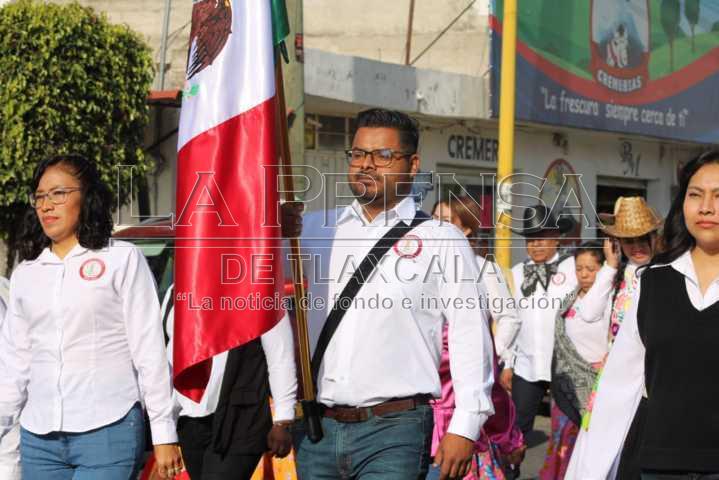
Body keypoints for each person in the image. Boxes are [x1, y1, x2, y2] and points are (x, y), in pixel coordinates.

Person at [291, 108, 495, 480]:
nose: (366, 164)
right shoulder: (313, 230)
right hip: (318, 431)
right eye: (358, 154)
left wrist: (466, 423)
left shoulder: (441, 239)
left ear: (413, 164)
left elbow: (470, 334)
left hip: (395, 431)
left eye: (383, 155)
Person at [0, 154, 182, 479]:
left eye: (58, 193)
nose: (46, 205)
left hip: (107, 431)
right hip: (38, 438)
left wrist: (163, 433)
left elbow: (149, 351)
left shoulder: (121, 259)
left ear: (87, 197)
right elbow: (14, 362)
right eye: (40, 196)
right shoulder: (27, 273)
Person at [567, 150, 719, 479]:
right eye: (695, 194)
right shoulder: (653, 283)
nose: (706, 207)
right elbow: (619, 386)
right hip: (660, 462)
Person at [430, 197, 525, 480]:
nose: (436, 227)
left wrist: (490, 354)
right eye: (433, 220)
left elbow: (508, 317)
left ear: (466, 229)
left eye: (446, 221)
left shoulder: (484, 268)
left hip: (461, 387)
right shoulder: (422, 266)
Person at [163, 283, 298, 480]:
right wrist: (164, 423)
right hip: (189, 418)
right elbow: (166, 353)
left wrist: (283, 419)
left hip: (240, 418)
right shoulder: (176, 289)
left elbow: (280, 357)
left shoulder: (259, 287)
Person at [538, 240, 619, 479]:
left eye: (591, 269)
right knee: (562, 440)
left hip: (596, 382)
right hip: (566, 384)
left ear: (603, 269)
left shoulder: (610, 299)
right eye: (579, 268)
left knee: (589, 443)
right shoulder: (570, 298)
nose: (584, 274)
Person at [502, 205, 577, 440]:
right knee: (517, 431)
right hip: (526, 364)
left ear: (556, 237)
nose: (535, 245)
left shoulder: (573, 268)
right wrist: (507, 363)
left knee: (569, 430)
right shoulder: (516, 273)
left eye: (541, 238)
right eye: (530, 240)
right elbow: (511, 319)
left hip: (565, 365)